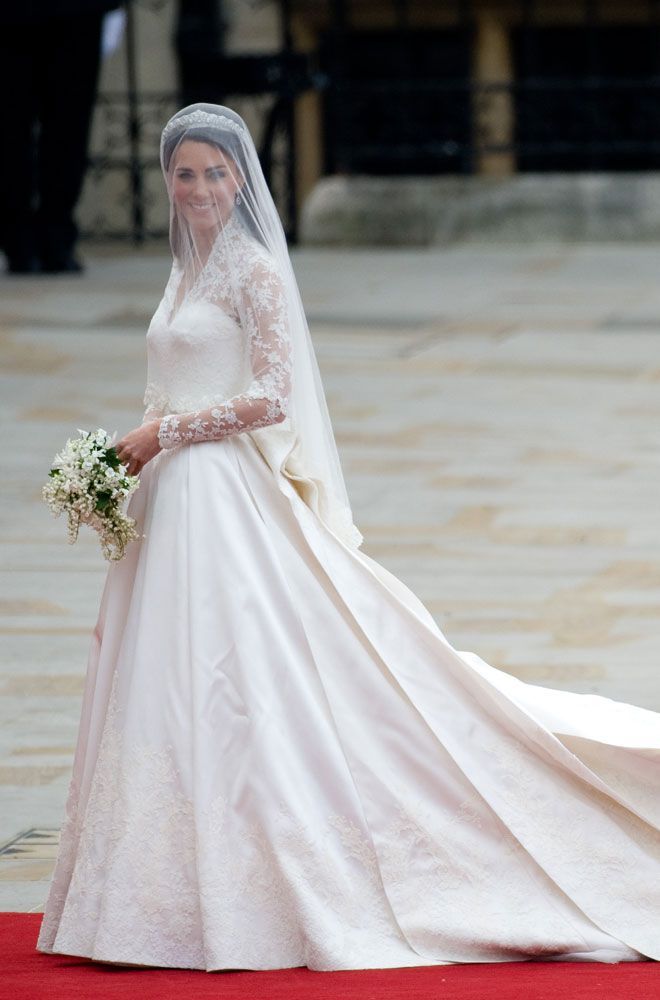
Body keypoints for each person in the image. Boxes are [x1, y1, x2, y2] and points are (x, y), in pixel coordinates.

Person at [36, 104, 660, 972]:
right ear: (168, 182)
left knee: (234, 672)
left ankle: (262, 873)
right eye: (187, 174)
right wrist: (121, 462)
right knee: (166, 677)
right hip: (174, 500)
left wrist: (162, 438)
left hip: (223, 491)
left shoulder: (250, 270)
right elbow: (169, 380)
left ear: (242, 182)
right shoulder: (181, 273)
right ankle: (164, 882)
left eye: (218, 173)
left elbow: (273, 397)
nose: (202, 188)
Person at [0, 1, 119, 274]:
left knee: (69, 124)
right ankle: (19, 238)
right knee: (10, 126)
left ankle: (55, 236)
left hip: (76, 13)